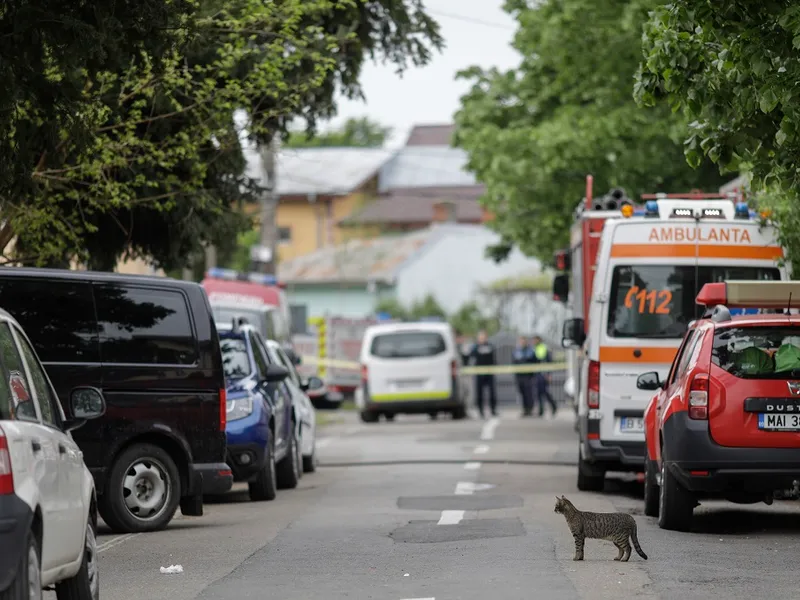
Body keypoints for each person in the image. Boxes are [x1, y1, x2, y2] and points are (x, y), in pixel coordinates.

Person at [468, 329, 498, 418]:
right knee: (479, 393)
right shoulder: (475, 347)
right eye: (480, 337)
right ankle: (481, 411)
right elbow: (470, 357)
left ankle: (493, 410)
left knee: (492, 393)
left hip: (489, 373)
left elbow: (493, 359)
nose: (482, 338)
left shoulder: (490, 346)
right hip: (479, 373)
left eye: (483, 337)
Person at [532, 335, 557, 418]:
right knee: (539, 393)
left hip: (544, 374)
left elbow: (548, 362)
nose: (534, 342)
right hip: (538, 374)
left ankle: (553, 406)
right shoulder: (535, 348)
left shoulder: (544, 348)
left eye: (535, 340)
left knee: (545, 392)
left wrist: (549, 374)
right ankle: (541, 410)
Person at [512, 335, 535, 417]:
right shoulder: (516, 351)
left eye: (523, 341)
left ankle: (530, 409)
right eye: (521, 341)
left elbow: (534, 362)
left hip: (528, 376)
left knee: (528, 394)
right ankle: (525, 409)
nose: (522, 342)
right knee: (522, 393)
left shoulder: (530, 351)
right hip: (519, 376)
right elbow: (514, 363)